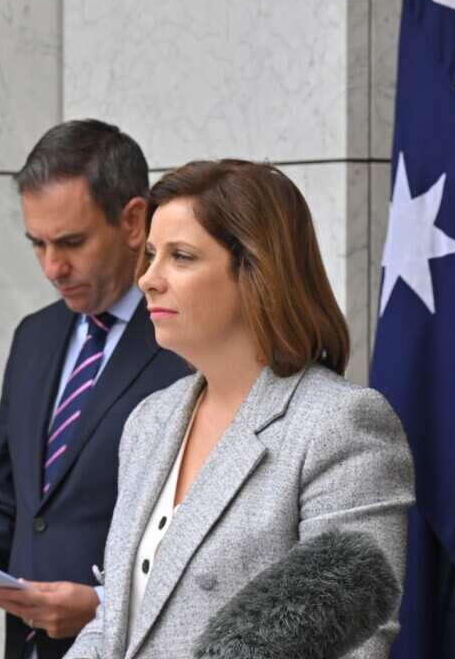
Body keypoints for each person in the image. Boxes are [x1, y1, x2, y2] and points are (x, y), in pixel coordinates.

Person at [63, 160, 414, 657]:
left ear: (256, 270)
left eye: (180, 257)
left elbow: (354, 643)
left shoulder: (338, 425)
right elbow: (115, 623)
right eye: (150, 255)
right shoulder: (148, 421)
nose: (147, 279)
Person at [0, 119, 189, 659]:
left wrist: (105, 604)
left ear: (133, 222)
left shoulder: (187, 345)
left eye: (72, 242)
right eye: (37, 244)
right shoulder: (35, 336)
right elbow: (13, 508)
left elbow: (212, 545)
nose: (53, 268)